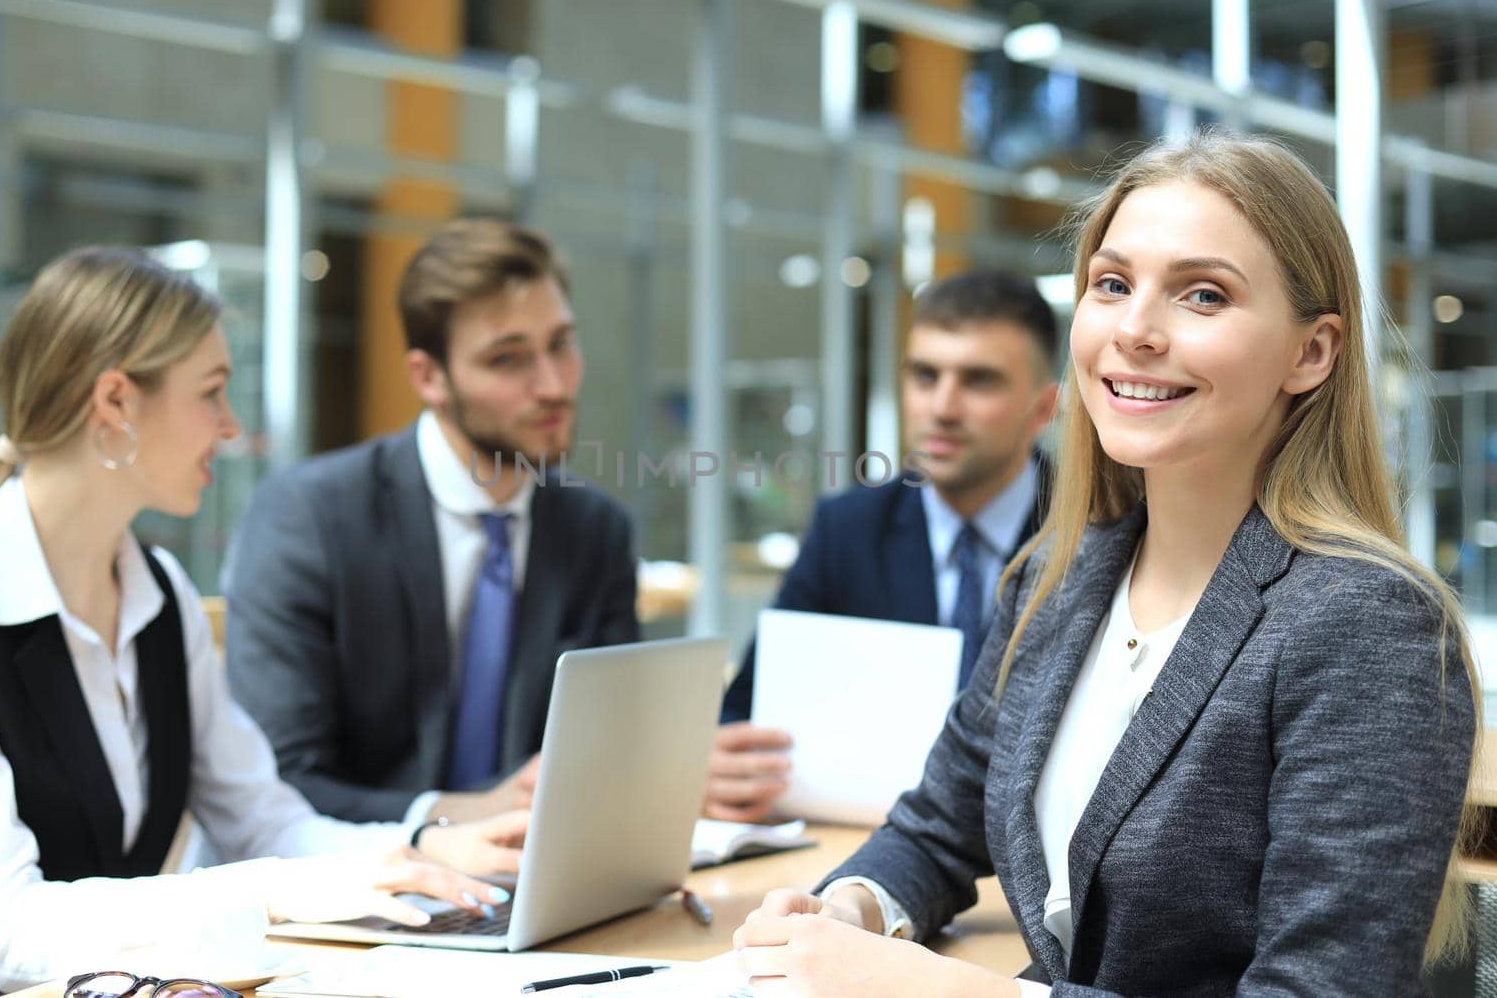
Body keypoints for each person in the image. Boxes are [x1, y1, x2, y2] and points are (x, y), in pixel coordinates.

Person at [732, 130, 1479, 996]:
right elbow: (938, 828)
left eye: (1202, 295)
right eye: (1112, 284)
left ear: (1310, 352)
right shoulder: (1059, 577)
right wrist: (850, 911)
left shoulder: (1366, 621)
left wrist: (954, 990)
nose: (1134, 330)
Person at [0, 248, 525, 996]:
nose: (231, 428)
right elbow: (8, 929)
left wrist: (428, 849)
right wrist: (271, 892)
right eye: (212, 392)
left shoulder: (162, 594)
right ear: (116, 403)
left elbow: (266, 822)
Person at [223, 219, 640, 828]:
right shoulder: (310, 517)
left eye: (561, 344)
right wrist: (453, 818)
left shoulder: (595, 532)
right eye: (508, 359)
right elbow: (280, 779)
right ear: (428, 377)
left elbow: (608, 750)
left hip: (534, 879)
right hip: (352, 888)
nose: (553, 385)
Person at [711, 270, 1059, 822]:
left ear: (1043, 408)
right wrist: (721, 765)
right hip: (865, 849)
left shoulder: (1096, 535)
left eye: (978, 381)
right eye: (925, 375)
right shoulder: (847, 529)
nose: (942, 407)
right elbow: (746, 715)